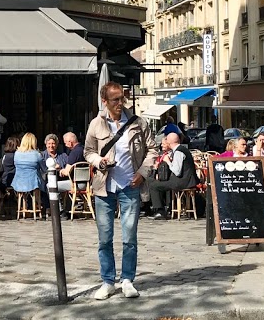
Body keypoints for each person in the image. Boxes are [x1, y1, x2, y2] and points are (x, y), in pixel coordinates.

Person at [85, 81, 159, 301]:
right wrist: (99, 161)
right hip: (104, 187)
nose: (120, 103)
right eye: (115, 99)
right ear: (104, 101)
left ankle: (127, 280)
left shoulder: (138, 123)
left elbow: (152, 149)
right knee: (105, 238)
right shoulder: (96, 125)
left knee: (129, 237)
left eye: (122, 98)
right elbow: (88, 151)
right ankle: (107, 281)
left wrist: (143, 172)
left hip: (130, 185)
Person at [148, 132, 199, 220]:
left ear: (170, 142)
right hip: (186, 180)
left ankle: (160, 211)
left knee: (153, 185)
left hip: (183, 181)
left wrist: (168, 161)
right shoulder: (181, 149)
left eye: (166, 140)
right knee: (160, 182)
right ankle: (167, 208)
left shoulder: (179, 151)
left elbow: (177, 171)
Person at [10, 133, 45, 197]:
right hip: (33, 183)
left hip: (19, 182)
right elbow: (44, 169)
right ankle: (41, 204)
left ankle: (24, 204)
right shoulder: (37, 154)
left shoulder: (17, 154)